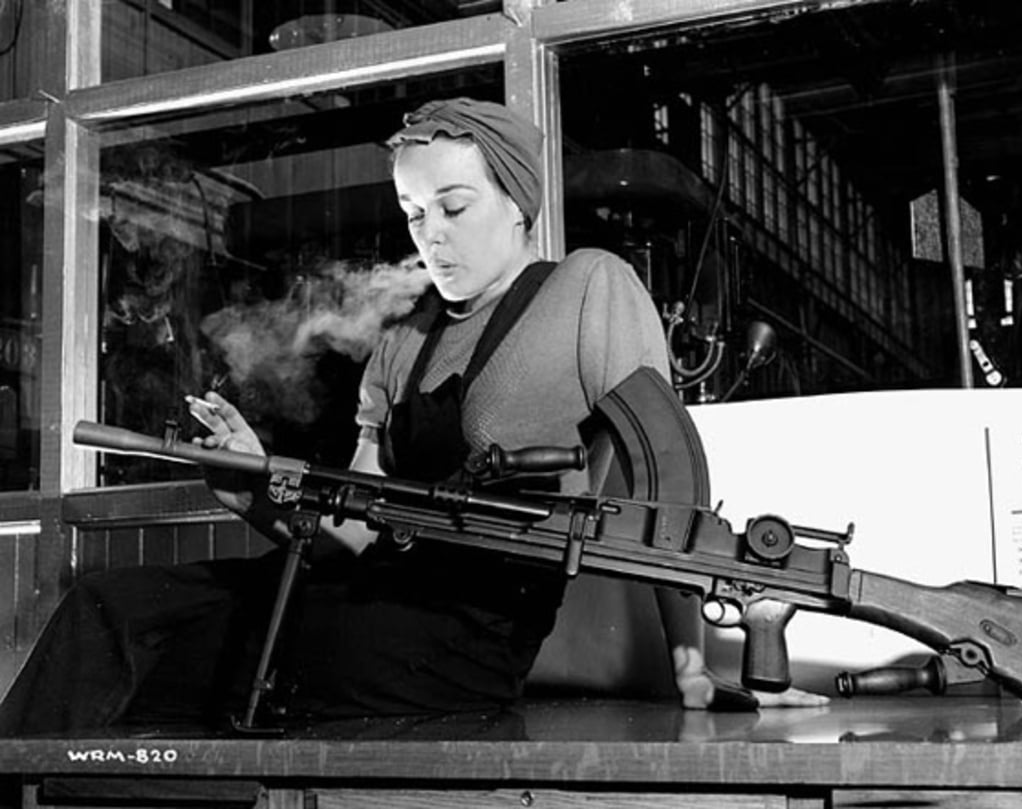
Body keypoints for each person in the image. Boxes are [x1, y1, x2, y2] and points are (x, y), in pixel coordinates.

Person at [0, 98, 822, 735]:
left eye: (454, 208)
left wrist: (691, 668)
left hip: (467, 633)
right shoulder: (403, 340)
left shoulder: (585, 288)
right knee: (107, 608)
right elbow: (351, 535)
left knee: (197, 663)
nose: (431, 236)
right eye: (414, 214)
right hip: (364, 599)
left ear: (518, 203)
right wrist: (252, 488)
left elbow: (664, 490)